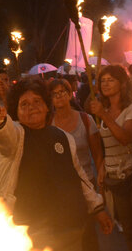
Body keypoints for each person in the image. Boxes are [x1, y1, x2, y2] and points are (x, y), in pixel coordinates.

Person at [0, 78, 113, 251]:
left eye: (37, 101)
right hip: (32, 233)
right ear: (16, 111)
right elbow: (3, 135)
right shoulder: (16, 136)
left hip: (71, 228)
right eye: (24, 104)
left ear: (47, 106)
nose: (31, 107)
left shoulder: (63, 137)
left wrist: (97, 208)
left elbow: (79, 176)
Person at [89, 65, 132, 251]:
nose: (105, 84)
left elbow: (125, 138)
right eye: (102, 80)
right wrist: (102, 165)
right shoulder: (103, 109)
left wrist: (104, 115)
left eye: (110, 80)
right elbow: (107, 145)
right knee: (127, 228)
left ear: (122, 84)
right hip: (113, 178)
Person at [49, 78, 105, 251]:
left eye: (62, 92)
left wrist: (100, 186)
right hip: (61, 188)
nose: (59, 96)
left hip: (86, 183)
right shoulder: (47, 124)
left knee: (88, 232)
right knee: (68, 234)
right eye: (54, 94)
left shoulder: (86, 120)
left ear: (70, 94)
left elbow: (97, 155)